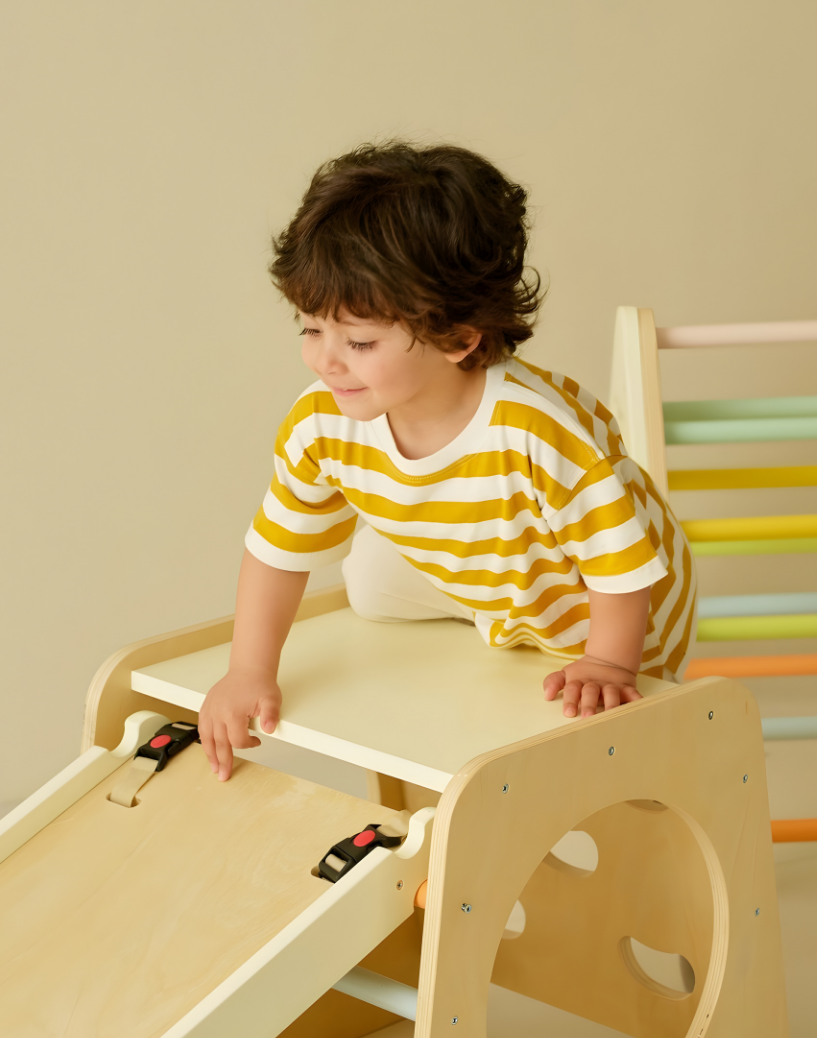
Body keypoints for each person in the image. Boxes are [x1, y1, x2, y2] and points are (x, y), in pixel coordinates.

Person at [199, 142, 696, 782]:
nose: (325, 360)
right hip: (494, 570)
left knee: (606, 741)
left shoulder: (538, 432)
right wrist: (247, 670)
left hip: (598, 605)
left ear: (459, 338)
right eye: (311, 328)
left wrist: (608, 664)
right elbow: (278, 550)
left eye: (359, 341)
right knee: (365, 579)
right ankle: (486, 604)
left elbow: (621, 569)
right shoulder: (321, 421)